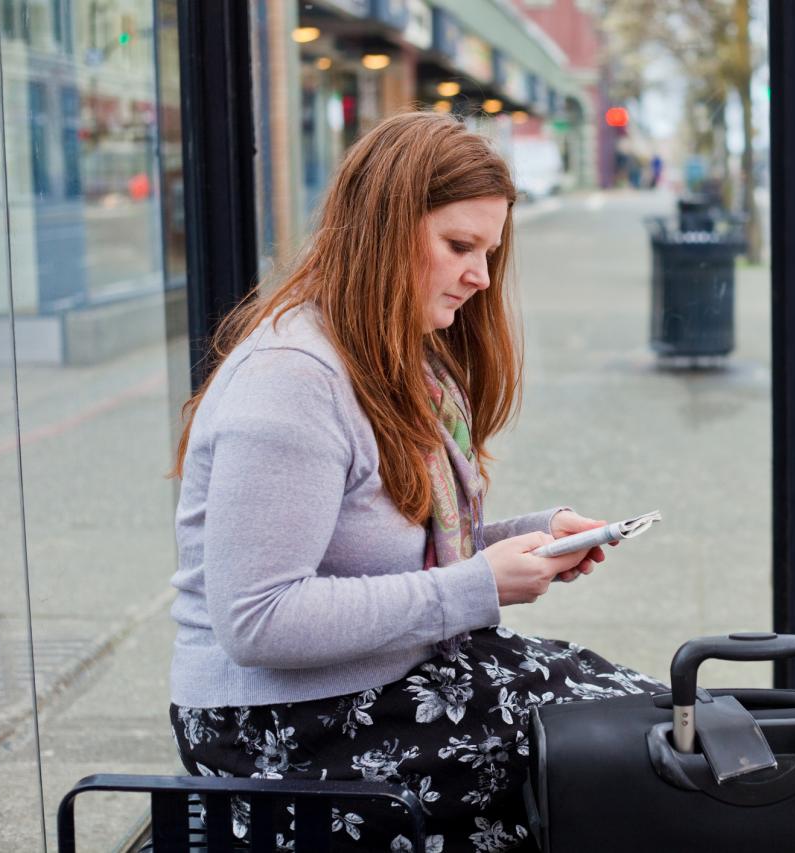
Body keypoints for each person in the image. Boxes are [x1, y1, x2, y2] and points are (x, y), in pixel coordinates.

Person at [167, 110, 665, 852]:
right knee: (628, 766)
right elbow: (258, 619)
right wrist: (478, 585)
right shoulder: (289, 381)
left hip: (387, 685)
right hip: (283, 728)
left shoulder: (401, 353)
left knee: (657, 724)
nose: (481, 275)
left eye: (489, 251)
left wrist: (524, 539)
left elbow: (393, 543)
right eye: (459, 245)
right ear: (382, 229)